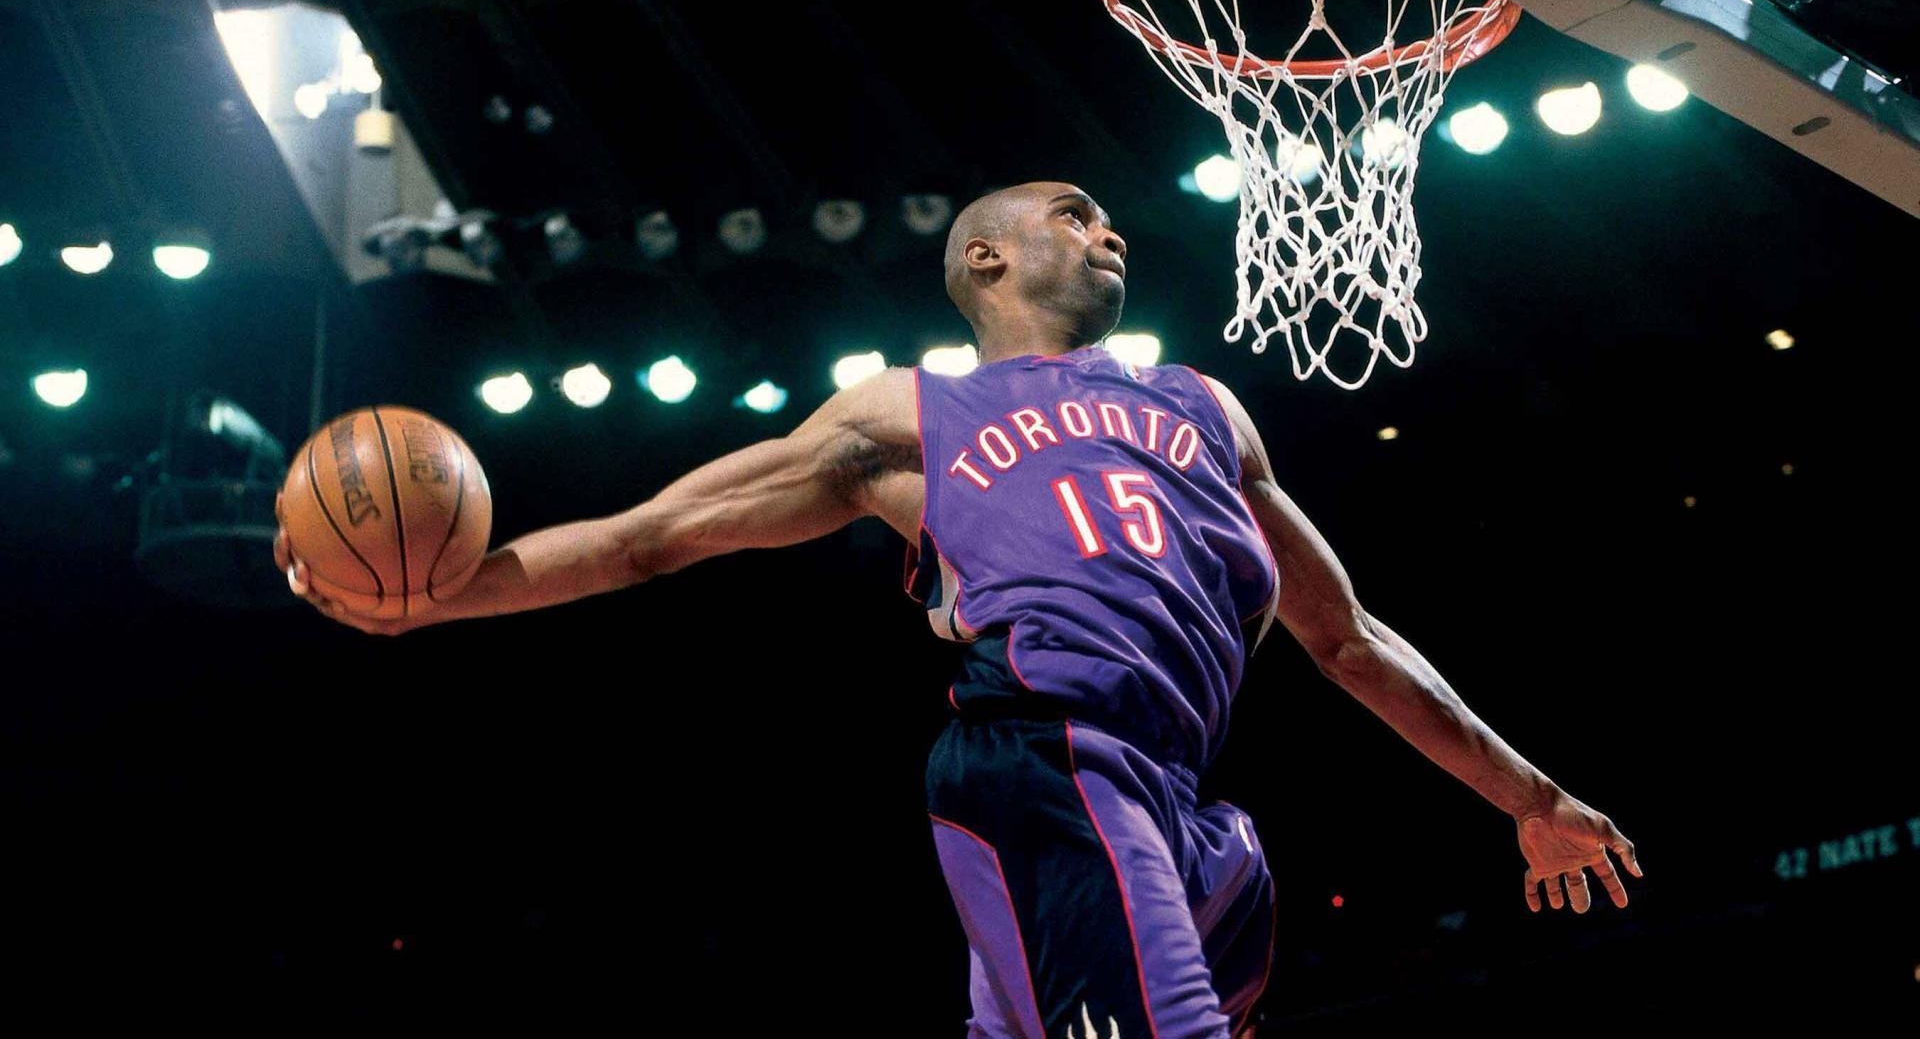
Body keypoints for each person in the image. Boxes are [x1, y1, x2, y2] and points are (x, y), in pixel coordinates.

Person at [275, 181, 1642, 1039]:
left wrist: (1527, 797)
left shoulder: (1203, 412)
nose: (1105, 227)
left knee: (1222, 882)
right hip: (1043, 757)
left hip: (1173, 799)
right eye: (1069, 212)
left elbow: (1347, 638)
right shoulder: (908, 413)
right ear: (986, 261)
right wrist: (432, 604)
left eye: (1107, 218)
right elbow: (650, 540)